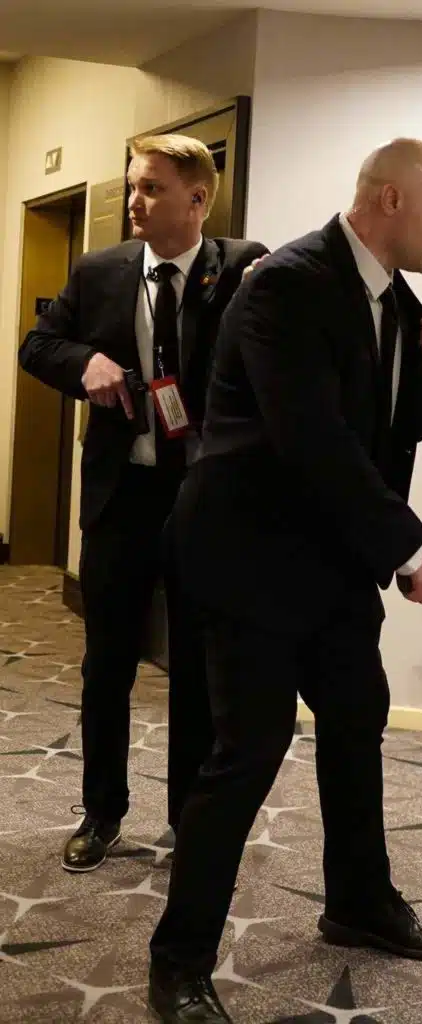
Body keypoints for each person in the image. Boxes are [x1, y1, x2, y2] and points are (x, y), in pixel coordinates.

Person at [147, 138, 422, 1024]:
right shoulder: (287, 283)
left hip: (330, 560)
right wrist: (412, 549)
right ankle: (178, 962)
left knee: (356, 724)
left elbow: (375, 429)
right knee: (246, 755)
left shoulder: (393, 297)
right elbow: (312, 440)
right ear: (391, 199)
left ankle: (358, 901)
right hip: (249, 557)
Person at [18, 134, 269, 873]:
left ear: (197, 199)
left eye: (152, 188)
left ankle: (190, 816)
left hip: (204, 500)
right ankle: (102, 811)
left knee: (196, 666)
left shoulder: (242, 267)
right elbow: (37, 345)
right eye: (133, 185)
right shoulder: (99, 272)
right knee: (108, 664)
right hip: (122, 494)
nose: (135, 200)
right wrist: (84, 363)